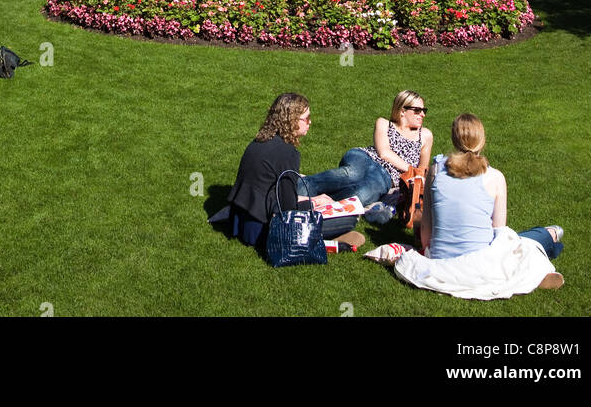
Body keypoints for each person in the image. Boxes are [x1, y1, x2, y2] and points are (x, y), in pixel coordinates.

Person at [385, 114, 564, 297]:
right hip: (479, 263)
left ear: (454, 139)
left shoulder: (435, 171)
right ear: (482, 141)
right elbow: (499, 233)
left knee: (529, 240)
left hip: (440, 258)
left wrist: (428, 249)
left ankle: (551, 238)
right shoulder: (495, 177)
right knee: (526, 243)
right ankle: (551, 237)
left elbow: (426, 227)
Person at [221, 93, 365, 254]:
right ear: (292, 120)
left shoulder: (261, 139)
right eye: (307, 118)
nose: (310, 122)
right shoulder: (288, 153)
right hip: (265, 229)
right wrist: (314, 202)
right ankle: (322, 240)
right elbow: (287, 208)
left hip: (241, 220)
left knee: (310, 191)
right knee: (350, 219)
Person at [301, 90, 433, 213]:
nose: (422, 114)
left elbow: (422, 169)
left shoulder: (426, 135)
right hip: (365, 158)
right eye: (417, 110)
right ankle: (292, 189)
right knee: (349, 175)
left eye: (424, 110)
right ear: (402, 110)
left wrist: (416, 176)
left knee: (361, 194)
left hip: (387, 177)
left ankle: (319, 206)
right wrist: (411, 169)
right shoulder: (384, 123)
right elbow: (384, 153)